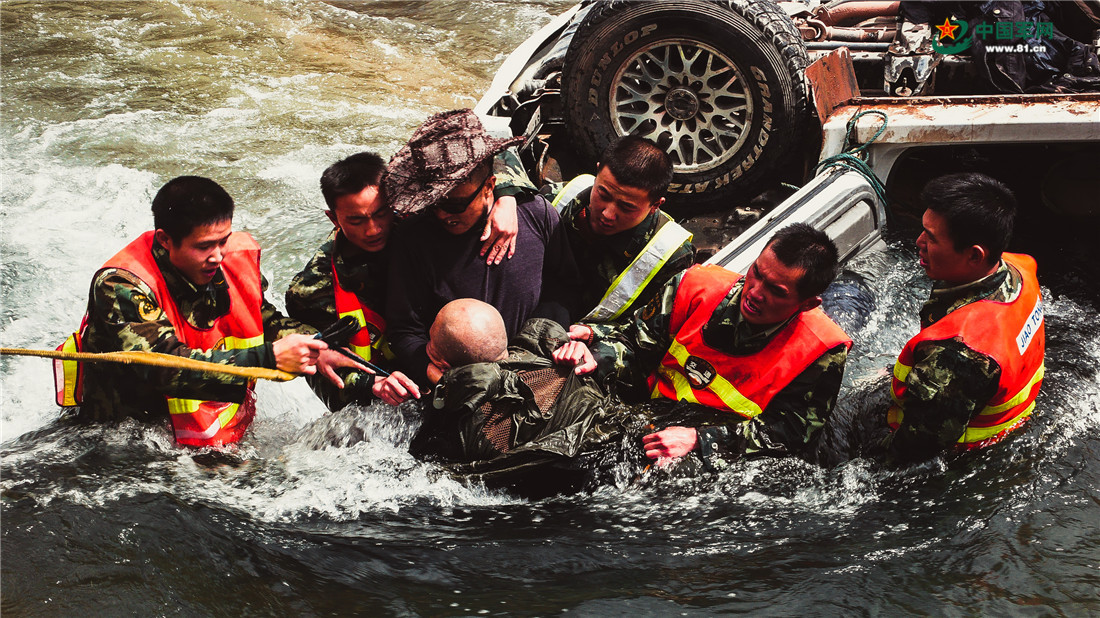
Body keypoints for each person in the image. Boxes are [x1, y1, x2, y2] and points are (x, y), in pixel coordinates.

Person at [56, 176, 358, 447]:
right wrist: (269, 358)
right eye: (204, 246)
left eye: (223, 241)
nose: (217, 256)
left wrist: (316, 344)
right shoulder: (120, 284)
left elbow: (264, 319)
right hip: (124, 435)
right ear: (165, 239)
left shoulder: (226, 259)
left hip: (197, 428)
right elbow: (164, 366)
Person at [574, 223, 852, 467]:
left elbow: (790, 433)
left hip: (719, 444)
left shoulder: (821, 352)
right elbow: (634, 345)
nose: (754, 292)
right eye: (757, 273)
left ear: (806, 304)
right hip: (654, 412)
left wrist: (701, 440)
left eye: (775, 291)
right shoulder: (693, 287)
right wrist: (597, 357)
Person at [286, 151, 516, 409]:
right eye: (356, 221)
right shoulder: (312, 289)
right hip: (392, 395)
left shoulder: (428, 215)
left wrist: (507, 196)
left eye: (381, 213)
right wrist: (370, 384)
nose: (373, 229)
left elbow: (490, 152)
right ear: (333, 218)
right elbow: (321, 371)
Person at [383, 109, 581, 387]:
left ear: (490, 186)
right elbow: (404, 328)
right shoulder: (412, 237)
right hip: (451, 384)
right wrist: (430, 371)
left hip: (534, 370)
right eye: (434, 203)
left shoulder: (536, 215)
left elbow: (565, 288)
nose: (442, 215)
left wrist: (544, 343)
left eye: (455, 205)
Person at [883, 172, 1044, 463]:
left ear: (974, 256)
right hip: (1005, 410)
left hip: (967, 455)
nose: (918, 242)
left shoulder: (961, 354)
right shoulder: (1019, 268)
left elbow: (915, 450)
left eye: (931, 238)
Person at [409, 299, 636, 496]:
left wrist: (447, 384)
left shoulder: (466, 423)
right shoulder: (566, 361)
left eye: (430, 342)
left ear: (443, 363)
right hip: (624, 465)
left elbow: (425, 463)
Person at [496, 135, 695, 322]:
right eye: (603, 194)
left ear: (655, 205)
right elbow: (496, 147)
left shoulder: (670, 257)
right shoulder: (554, 199)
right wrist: (507, 197)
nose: (608, 214)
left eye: (626, 207)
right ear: (597, 171)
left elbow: (649, 331)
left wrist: (594, 337)